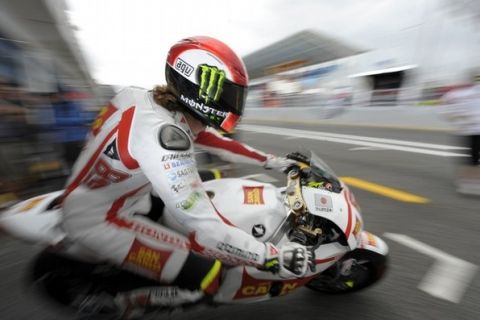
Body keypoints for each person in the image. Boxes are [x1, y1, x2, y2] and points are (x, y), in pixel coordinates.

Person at [61, 36, 314, 314]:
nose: (235, 103)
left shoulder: (140, 98)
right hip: (102, 219)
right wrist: (271, 257)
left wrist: (274, 162)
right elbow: (205, 230)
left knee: (213, 176)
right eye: (231, 94)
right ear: (204, 89)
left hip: (121, 193)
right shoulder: (165, 137)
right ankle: (124, 303)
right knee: (210, 277)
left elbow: (215, 141)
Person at [442, 74, 480, 194]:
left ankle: (467, 181)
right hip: (469, 130)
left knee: (472, 157)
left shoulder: (468, 92)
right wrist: (461, 120)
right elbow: (447, 112)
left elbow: (447, 112)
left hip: (472, 129)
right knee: (472, 157)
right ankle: (467, 182)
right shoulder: (455, 94)